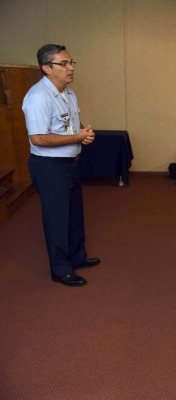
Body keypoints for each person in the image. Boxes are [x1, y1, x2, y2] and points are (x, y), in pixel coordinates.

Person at [22, 44, 100, 286]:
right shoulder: (38, 97)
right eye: (63, 64)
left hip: (69, 162)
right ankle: (61, 269)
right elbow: (38, 138)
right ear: (47, 68)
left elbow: (66, 130)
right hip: (49, 167)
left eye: (71, 62)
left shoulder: (68, 92)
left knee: (74, 214)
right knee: (57, 219)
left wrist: (82, 134)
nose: (70, 68)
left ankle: (77, 257)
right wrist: (77, 138)